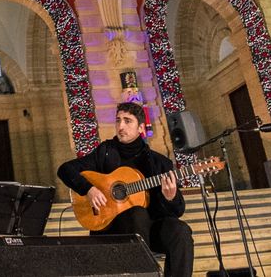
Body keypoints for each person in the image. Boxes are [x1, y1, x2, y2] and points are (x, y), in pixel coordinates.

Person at [57, 102, 193, 277]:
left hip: (150, 230)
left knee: (181, 231)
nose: (120, 126)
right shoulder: (105, 151)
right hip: (112, 228)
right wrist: (89, 189)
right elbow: (65, 169)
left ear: (141, 128)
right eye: (118, 120)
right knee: (137, 212)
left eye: (127, 121)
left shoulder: (160, 163)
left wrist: (171, 197)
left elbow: (178, 210)